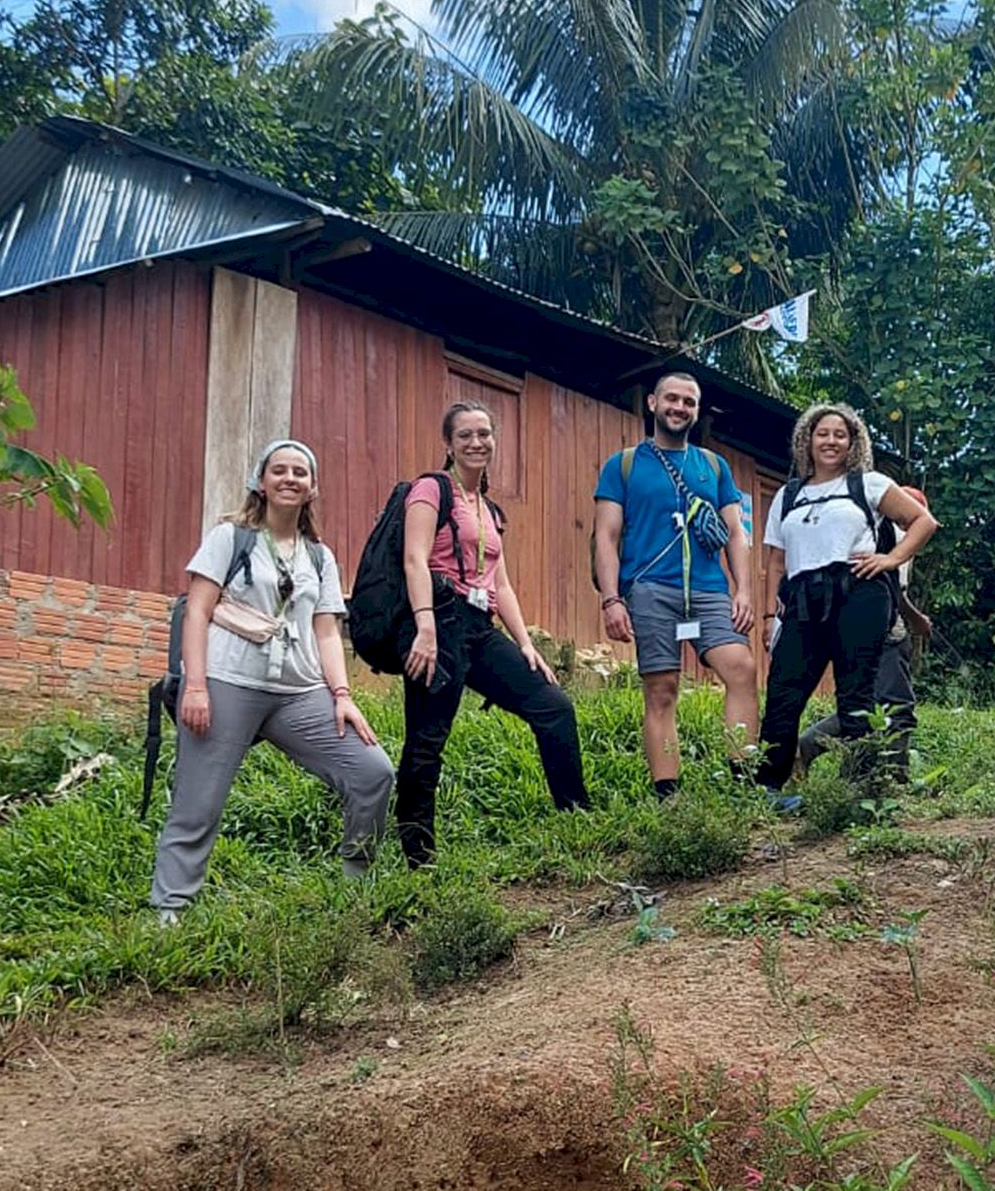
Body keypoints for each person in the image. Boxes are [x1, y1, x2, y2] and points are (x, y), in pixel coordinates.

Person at [150, 440, 394, 921]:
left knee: (373, 772)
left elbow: (326, 631)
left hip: (298, 693)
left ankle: (356, 887)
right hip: (227, 681)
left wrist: (342, 695)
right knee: (198, 804)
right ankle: (170, 909)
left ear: (312, 488)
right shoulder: (230, 538)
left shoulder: (319, 557)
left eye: (300, 473)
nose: (289, 479)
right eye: (279, 470)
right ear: (260, 482)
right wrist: (195, 686)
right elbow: (197, 611)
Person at [396, 401, 590, 867]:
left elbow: (500, 585)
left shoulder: (488, 509)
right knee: (427, 739)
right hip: (439, 620)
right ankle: (418, 858)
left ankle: (579, 819)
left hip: (480, 628)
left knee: (553, 707)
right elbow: (414, 559)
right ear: (449, 444)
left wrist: (525, 645)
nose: (477, 442)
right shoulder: (430, 489)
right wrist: (425, 626)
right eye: (465, 435)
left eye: (484, 434)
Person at [758, 405, 939, 793]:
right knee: (783, 692)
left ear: (853, 442)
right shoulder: (788, 495)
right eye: (823, 433)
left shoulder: (868, 483)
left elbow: (923, 522)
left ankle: (862, 789)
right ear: (807, 440)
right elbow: (775, 561)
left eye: (840, 435)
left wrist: (890, 559)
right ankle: (768, 789)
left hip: (858, 591)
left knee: (856, 692)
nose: (831, 441)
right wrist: (770, 616)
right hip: (803, 598)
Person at [593, 371, 755, 800]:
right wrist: (611, 599)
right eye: (672, 399)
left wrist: (743, 589)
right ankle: (669, 796)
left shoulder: (713, 466)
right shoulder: (624, 465)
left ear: (696, 411)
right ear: (653, 403)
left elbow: (735, 532)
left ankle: (744, 784)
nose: (679, 408)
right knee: (662, 689)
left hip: (709, 589)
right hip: (649, 590)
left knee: (741, 667)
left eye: (689, 402)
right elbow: (606, 536)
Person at [798, 484, 933, 778]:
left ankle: (851, 774)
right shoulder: (897, 535)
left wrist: (914, 616)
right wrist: (913, 619)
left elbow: (893, 585)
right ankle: (893, 780)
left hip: (854, 629)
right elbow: (891, 588)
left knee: (863, 705)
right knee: (897, 708)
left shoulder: (868, 529)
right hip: (883, 632)